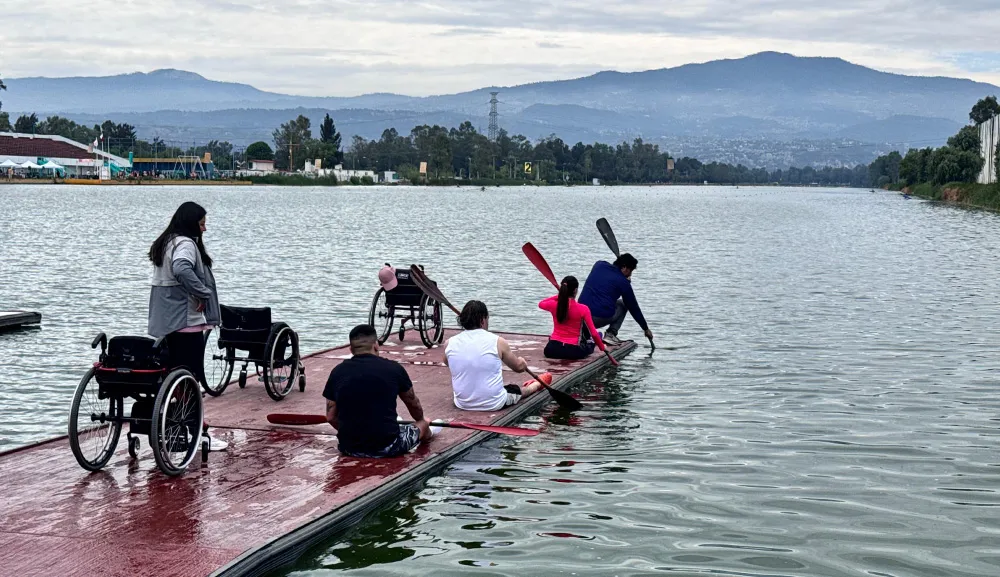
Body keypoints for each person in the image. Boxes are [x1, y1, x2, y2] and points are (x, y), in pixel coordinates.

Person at [147, 201, 223, 449]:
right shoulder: (186, 244)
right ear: (191, 223)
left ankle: (174, 426)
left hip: (164, 322)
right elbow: (181, 268)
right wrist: (202, 293)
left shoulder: (166, 241)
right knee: (190, 379)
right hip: (185, 322)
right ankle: (195, 430)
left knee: (173, 378)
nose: (205, 229)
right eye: (202, 224)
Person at [323, 324, 435, 458]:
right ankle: (426, 436)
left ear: (351, 350)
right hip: (388, 446)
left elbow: (330, 417)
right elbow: (413, 403)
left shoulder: (337, 372)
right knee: (423, 424)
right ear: (376, 345)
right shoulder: (394, 369)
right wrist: (420, 420)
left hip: (348, 448)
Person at [444, 300, 542, 411]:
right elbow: (518, 367)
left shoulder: (449, 343)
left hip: (462, 403)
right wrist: (522, 362)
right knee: (515, 390)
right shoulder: (498, 341)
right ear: (483, 320)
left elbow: (448, 362)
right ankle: (536, 385)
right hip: (494, 404)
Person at [578, 253, 653, 346]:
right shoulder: (624, 283)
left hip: (579, 315)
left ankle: (584, 332)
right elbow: (633, 307)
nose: (630, 274)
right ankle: (610, 334)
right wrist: (645, 328)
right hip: (596, 319)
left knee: (599, 300)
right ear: (625, 267)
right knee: (623, 304)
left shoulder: (599, 265)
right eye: (630, 271)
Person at [539, 275, 608, 360]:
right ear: (575, 290)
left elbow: (541, 303)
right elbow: (593, 333)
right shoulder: (583, 309)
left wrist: (559, 296)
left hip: (552, 350)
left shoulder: (554, 305)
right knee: (595, 338)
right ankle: (594, 341)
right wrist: (602, 348)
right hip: (573, 351)